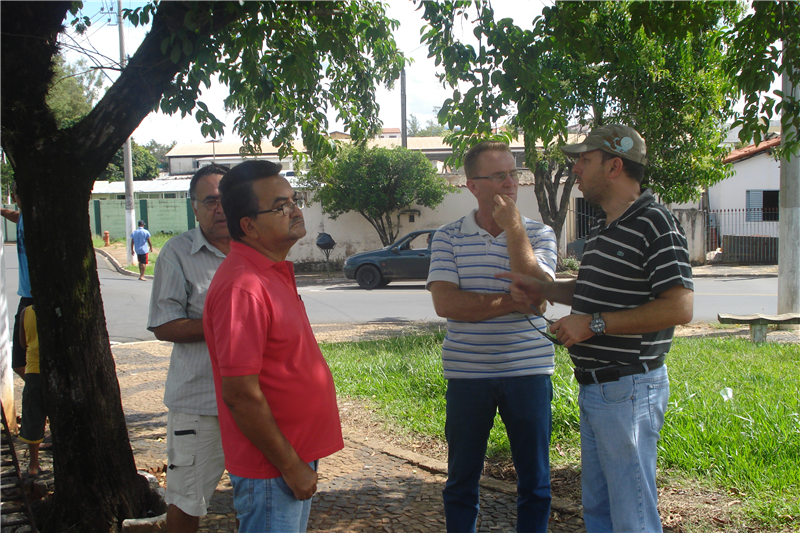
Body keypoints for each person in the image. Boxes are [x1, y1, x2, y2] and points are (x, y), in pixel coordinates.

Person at [499, 125, 694, 532]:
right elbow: (593, 291)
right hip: (600, 390)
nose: (575, 171)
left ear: (615, 165)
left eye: (584, 161)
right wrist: (545, 287)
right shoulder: (606, 228)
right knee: (601, 514)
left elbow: (679, 306)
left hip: (629, 390)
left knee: (632, 516)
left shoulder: (655, 222)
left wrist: (595, 325)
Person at [203, 160, 343, 532]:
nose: (295, 210)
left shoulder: (270, 272)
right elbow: (240, 394)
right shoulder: (243, 287)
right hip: (272, 468)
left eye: (294, 200)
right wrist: (291, 466)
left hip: (291, 457)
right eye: (280, 206)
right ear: (248, 226)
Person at [426, 141, 558, 532]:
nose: (510, 183)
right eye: (498, 175)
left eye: (513, 174)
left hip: (529, 372)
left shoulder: (539, 233)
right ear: (473, 186)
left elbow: (538, 295)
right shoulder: (448, 237)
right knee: (461, 480)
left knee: (535, 482)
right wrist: (512, 301)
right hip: (468, 377)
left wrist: (515, 228)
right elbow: (447, 304)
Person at [147, 164, 230, 533]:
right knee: (186, 500)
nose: (220, 207)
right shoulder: (177, 253)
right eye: (210, 200)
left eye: (226, 198)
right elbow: (164, 324)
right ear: (194, 207)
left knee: (261, 493)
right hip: (200, 403)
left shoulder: (258, 250)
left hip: (257, 402)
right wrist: (224, 328)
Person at [0, 181, 33, 377]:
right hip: (26, 295)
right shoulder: (23, 217)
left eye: (14, 194)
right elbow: (15, 216)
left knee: (22, 359)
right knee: (20, 362)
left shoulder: (36, 219)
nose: (13, 198)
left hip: (35, 297)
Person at [17, 305, 46, 476]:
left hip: (33, 369)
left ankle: (33, 464)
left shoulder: (25, 312)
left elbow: (22, 343)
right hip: (56, 369)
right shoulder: (58, 309)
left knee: (33, 416)